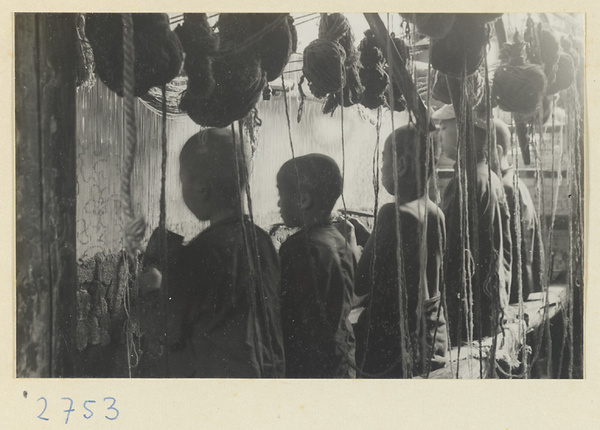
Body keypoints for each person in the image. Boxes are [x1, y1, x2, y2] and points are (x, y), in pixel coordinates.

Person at [142, 127, 285, 378]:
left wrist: (153, 286)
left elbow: (167, 329)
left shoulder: (202, 253)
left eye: (183, 181)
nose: (182, 189)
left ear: (202, 188)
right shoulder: (262, 240)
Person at [353, 124, 448, 378]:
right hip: (431, 342)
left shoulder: (390, 215)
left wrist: (351, 245)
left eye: (384, 159)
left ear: (402, 165)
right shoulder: (435, 212)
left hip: (395, 350)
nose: (381, 168)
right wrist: (370, 237)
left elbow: (360, 283)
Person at [434, 104, 512, 344]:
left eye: (444, 128)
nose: (439, 135)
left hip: (470, 311)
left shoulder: (466, 182)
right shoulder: (488, 176)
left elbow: (449, 249)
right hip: (488, 303)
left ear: (462, 133)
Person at [276, 154, 357, 378]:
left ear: (303, 200)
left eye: (282, 194)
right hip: (341, 357)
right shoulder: (340, 239)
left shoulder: (299, 248)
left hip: (311, 365)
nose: (279, 203)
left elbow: (285, 315)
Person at [494, 118, 544, 302]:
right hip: (526, 284)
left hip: (517, 291)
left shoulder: (505, 187)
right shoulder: (514, 182)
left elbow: (512, 248)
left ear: (497, 152)